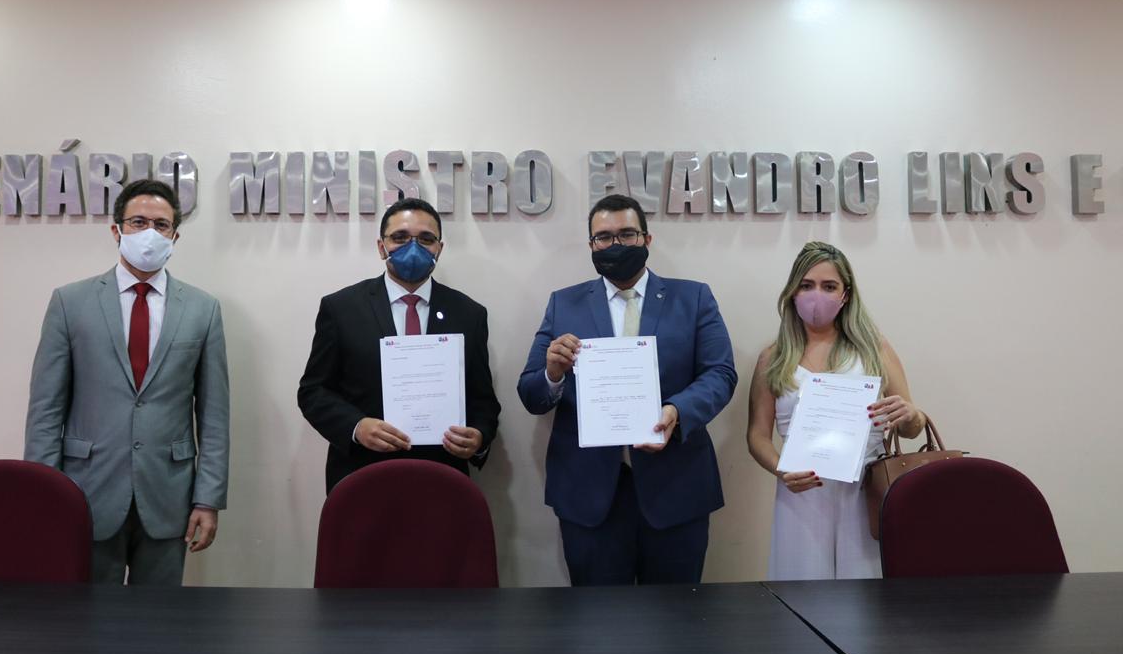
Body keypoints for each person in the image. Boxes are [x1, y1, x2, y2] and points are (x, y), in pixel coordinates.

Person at [516, 194, 737, 585]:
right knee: (597, 617)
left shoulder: (693, 297)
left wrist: (676, 411)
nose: (615, 245)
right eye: (603, 237)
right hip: (588, 494)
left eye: (627, 234)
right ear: (591, 245)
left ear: (647, 239)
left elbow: (720, 374)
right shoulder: (563, 304)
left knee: (675, 614)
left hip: (676, 489)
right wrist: (553, 372)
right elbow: (531, 394)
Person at [25, 179, 230, 585]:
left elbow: (214, 414)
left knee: (158, 619)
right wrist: (44, 494)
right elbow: (46, 408)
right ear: (116, 229)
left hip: (168, 494)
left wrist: (208, 499)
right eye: (138, 222)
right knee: (84, 616)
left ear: (174, 236)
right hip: (86, 491)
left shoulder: (202, 309)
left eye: (161, 224)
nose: (149, 233)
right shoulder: (70, 302)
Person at [298, 197, 502, 492]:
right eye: (400, 237)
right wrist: (356, 427)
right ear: (381, 247)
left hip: (441, 477)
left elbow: (483, 399)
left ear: (439, 249)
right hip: (361, 474)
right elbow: (313, 391)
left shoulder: (469, 314)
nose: (413, 247)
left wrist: (479, 437)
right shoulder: (341, 308)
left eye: (426, 239)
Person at [745, 240, 923, 580]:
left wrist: (911, 415)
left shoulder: (874, 349)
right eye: (807, 285)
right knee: (802, 593)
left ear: (846, 294)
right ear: (792, 292)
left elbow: (911, 427)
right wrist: (781, 469)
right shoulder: (773, 357)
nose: (817, 295)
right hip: (801, 491)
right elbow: (756, 435)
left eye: (829, 286)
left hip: (865, 491)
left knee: (865, 593)